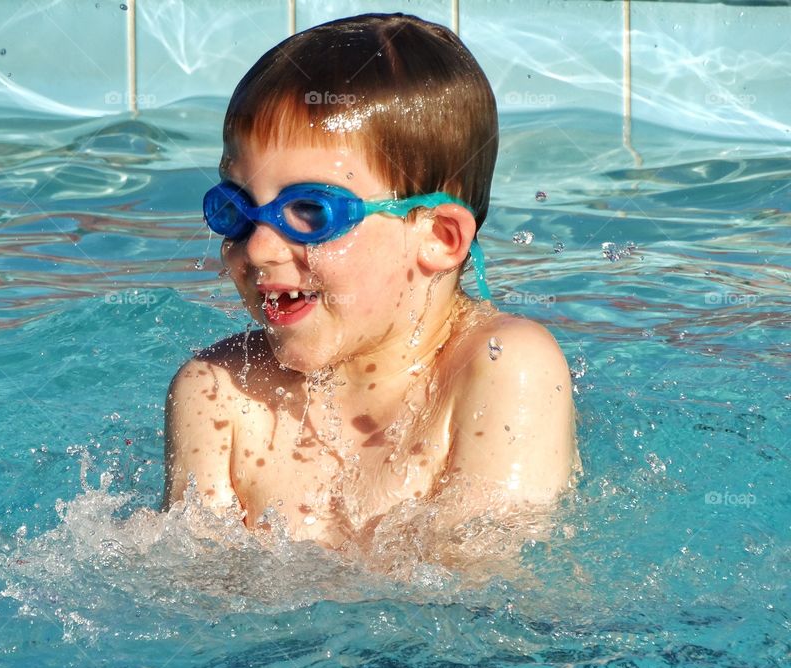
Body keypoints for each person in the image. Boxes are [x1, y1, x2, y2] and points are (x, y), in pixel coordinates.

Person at [163, 12, 580, 553]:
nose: (258, 248)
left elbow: (481, 592)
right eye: (236, 209)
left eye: (310, 210)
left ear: (440, 236)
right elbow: (191, 602)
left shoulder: (505, 366)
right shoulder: (217, 393)